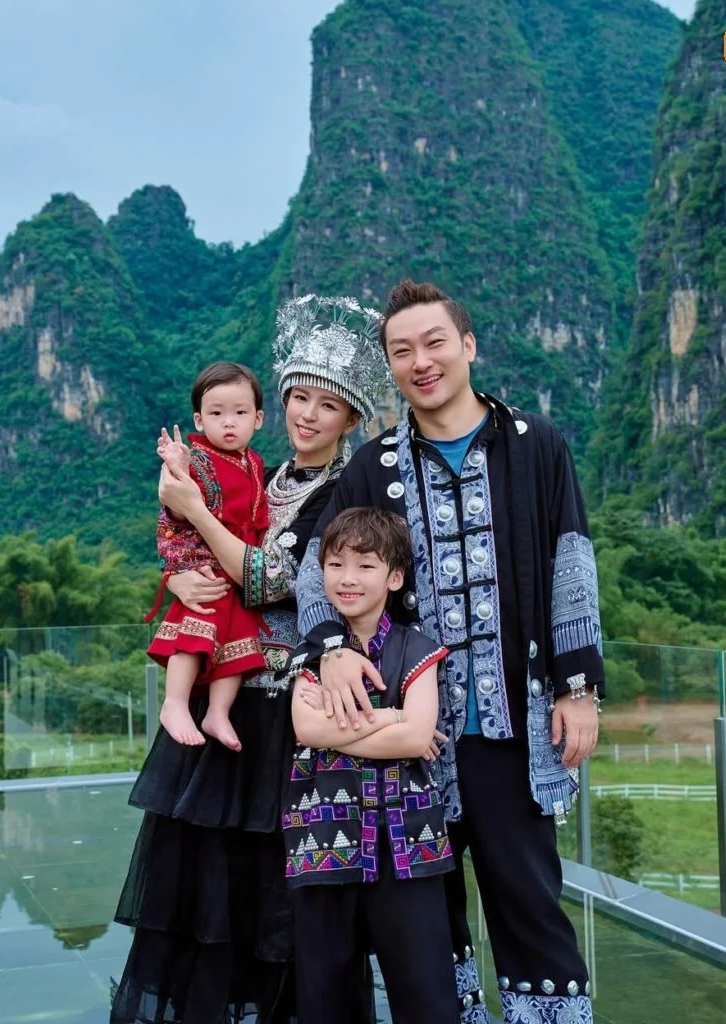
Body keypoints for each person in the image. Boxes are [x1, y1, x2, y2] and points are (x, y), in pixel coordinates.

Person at [295, 281, 604, 1024]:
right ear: (391, 368)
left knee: (530, 906)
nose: (421, 362)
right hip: (408, 737)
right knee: (430, 925)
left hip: (511, 729)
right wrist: (331, 648)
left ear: (467, 346)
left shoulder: (534, 445)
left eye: (434, 343)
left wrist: (578, 688)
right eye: (402, 351)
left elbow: (570, 563)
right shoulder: (372, 468)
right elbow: (315, 569)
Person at [111, 295, 391, 1024]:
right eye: (299, 397)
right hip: (230, 695)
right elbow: (201, 551)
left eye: (327, 405)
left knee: (280, 890)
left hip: (291, 707)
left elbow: (270, 579)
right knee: (211, 886)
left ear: (350, 420)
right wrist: (177, 573)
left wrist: (195, 511)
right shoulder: (260, 474)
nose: (308, 415)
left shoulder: (344, 492)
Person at [286, 507, 458, 1024]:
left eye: (365, 566)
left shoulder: (418, 648)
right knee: (324, 993)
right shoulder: (312, 654)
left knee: (425, 991)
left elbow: (418, 737)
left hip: (407, 839)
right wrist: (395, 717)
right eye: (335, 565)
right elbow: (307, 730)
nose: (348, 578)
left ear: (394, 577)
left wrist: (364, 728)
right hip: (324, 837)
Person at [147, 362, 268, 750]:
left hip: (239, 570)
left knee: (240, 644)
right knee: (196, 634)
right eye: (216, 414)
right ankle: (174, 702)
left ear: (258, 418)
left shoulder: (255, 462)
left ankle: (218, 712)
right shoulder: (198, 460)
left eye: (240, 412)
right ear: (199, 420)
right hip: (207, 567)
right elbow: (177, 509)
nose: (228, 422)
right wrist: (178, 468)